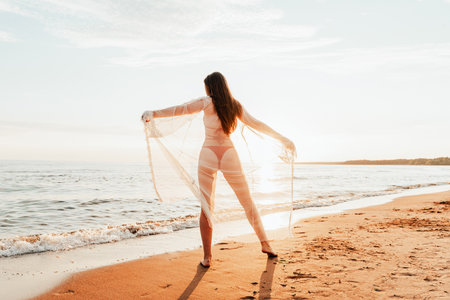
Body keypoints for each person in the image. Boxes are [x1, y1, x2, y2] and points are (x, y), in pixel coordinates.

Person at [141, 72, 295, 267]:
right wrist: (282, 138)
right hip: (228, 153)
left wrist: (153, 113)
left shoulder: (206, 102)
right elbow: (256, 123)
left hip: (208, 155)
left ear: (210, 88)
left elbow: (180, 110)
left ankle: (207, 257)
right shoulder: (235, 105)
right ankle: (265, 244)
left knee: (206, 207)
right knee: (247, 202)